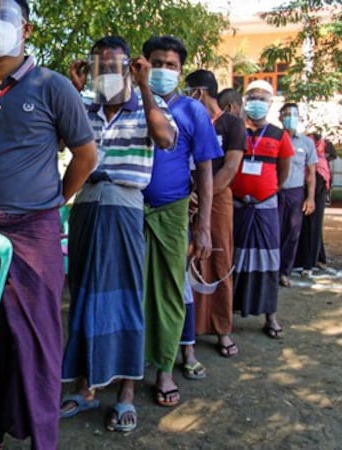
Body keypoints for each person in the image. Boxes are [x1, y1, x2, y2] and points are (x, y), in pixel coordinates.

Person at [0, 1, 98, 446]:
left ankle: (41, 439)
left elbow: (86, 156)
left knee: (38, 340)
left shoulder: (52, 86)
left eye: (3, 14)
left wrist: (51, 202)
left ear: (25, 29)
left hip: (35, 232)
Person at [61, 35, 176, 432]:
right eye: (99, 66)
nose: (106, 73)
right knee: (83, 295)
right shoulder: (83, 107)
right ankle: (84, 388)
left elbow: (165, 139)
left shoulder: (150, 104)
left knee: (126, 296)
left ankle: (127, 392)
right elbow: (55, 142)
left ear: (130, 66)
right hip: (86, 205)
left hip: (125, 206)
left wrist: (145, 87)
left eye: (114, 66)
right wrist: (72, 90)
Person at [140, 36, 219, 406]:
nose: (164, 70)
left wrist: (203, 225)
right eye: (158, 62)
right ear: (145, 63)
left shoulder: (193, 110)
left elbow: (204, 168)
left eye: (171, 65)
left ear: (181, 70)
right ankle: (129, 366)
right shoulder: (131, 101)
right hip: (130, 208)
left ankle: (165, 369)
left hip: (173, 211)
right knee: (131, 289)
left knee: (170, 293)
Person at [183, 69, 246, 359]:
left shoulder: (232, 124)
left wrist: (202, 197)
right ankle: (189, 332)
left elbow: (231, 168)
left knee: (218, 258)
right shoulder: (189, 121)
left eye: (188, 91)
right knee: (188, 260)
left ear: (199, 92)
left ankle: (222, 329)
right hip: (184, 199)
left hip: (218, 201)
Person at [230, 80, 293, 339]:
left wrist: (269, 190)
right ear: (245, 101)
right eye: (252, 97)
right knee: (234, 258)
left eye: (262, 98)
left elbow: (284, 170)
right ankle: (227, 315)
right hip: (236, 203)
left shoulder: (279, 135)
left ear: (270, 103)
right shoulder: (235, 130)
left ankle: (270, 316)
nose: (256, 102)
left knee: (268, 259)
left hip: (266, 206)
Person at [277, 103, 317, 287]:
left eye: (294, 114)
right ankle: (270, 271)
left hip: (296, 192)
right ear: (280, 117)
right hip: (275, 191)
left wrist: (310, 197)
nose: (290, 117)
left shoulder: (307, 143)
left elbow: (311, 173)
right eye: (286, 114)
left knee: (292, 233)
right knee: (273, 231)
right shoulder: (274, 138)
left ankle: (284, 272)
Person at [296, 133, 334, 274]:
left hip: (315, 180)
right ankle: (317, 258)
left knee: (311, 222)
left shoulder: (310, 145)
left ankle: (308, 262)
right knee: (313, 223)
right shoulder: (321, 156)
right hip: (318, 180)